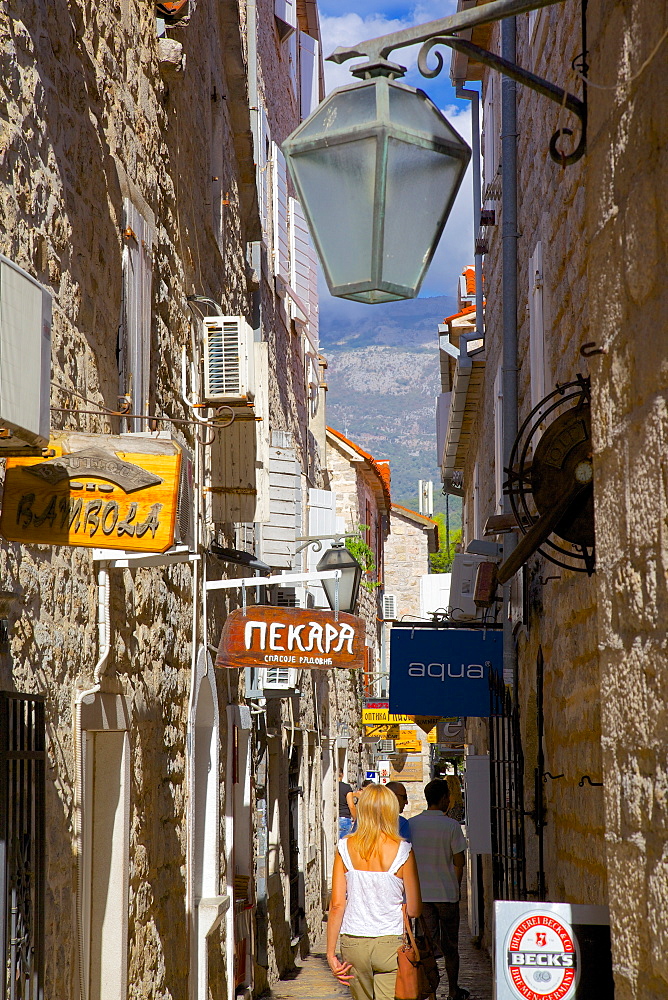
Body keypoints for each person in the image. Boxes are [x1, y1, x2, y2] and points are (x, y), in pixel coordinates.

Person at [327, 783, 422, 1000]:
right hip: (390, 941)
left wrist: (330, 953)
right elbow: (415, 909)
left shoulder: (344, 847)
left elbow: (337, 905)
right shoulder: (404, 851)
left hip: (354, 940)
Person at [408, 779, 469, 1000]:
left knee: (426, 944)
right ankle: (453, 990)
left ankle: (429, 989)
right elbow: (459, 862)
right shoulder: (451, 826)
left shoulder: (412, 825)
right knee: (450, 945)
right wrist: (456, 886)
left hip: (422, 896)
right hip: (446, 894)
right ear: (443, 798)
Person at [339, 769, 357, 839]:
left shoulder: (331, 787)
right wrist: (355, 818)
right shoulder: (346, 788)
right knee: (344, 844)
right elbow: (351, 806)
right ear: (342, 775)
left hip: (333, 818)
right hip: (344, 819)